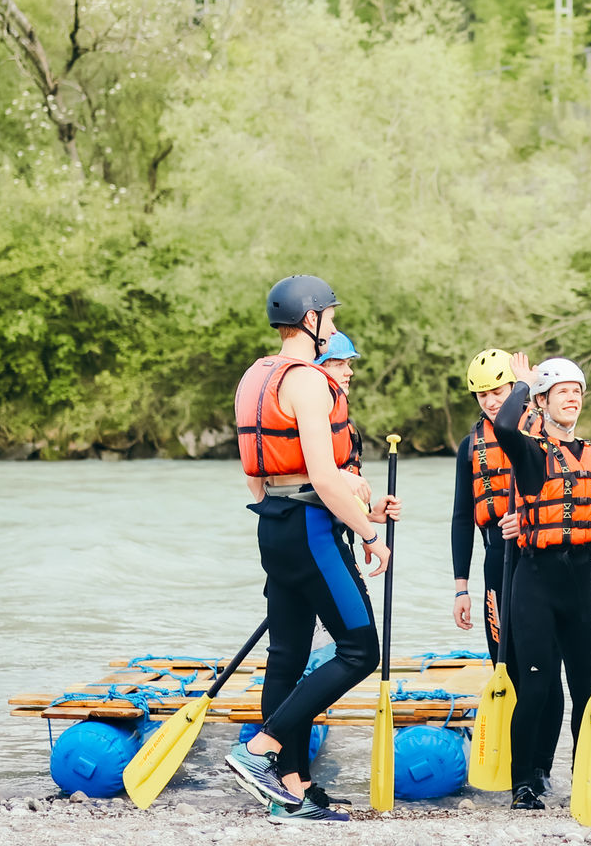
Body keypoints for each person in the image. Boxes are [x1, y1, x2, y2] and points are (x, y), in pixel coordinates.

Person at [224, 275, 398, 825]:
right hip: (311, 529)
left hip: (271, 524)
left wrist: (300, 513)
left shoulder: (255, 376)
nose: (335, 326)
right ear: (310, 320)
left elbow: (254, 474)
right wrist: (371, 534)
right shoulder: (308, 382)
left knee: (288, 656)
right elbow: (324, 479)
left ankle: (291, 789)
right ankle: (259, 750)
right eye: (331, 316)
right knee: (360, 649)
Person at [491, 352, 591, 810]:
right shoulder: (531, 450)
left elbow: (589, 515)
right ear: (542, 401)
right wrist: (522, 385)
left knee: (584, 689)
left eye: (577, 392)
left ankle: (585, 776)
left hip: (580, 587)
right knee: (537, 687)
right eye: (562, 392)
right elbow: (503, 428)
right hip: (535, 583)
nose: (572, 399)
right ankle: (523, 785)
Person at [449, 348, 531, 659]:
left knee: (537, 659)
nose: (491, 402)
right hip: (497, 558)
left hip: (538, 558)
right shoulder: (470, 447)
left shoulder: (541, 432)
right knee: (502, 656)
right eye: (482, 395)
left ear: (514, 389)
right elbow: (461, 518)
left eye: (498, 392)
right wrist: (461, 589)